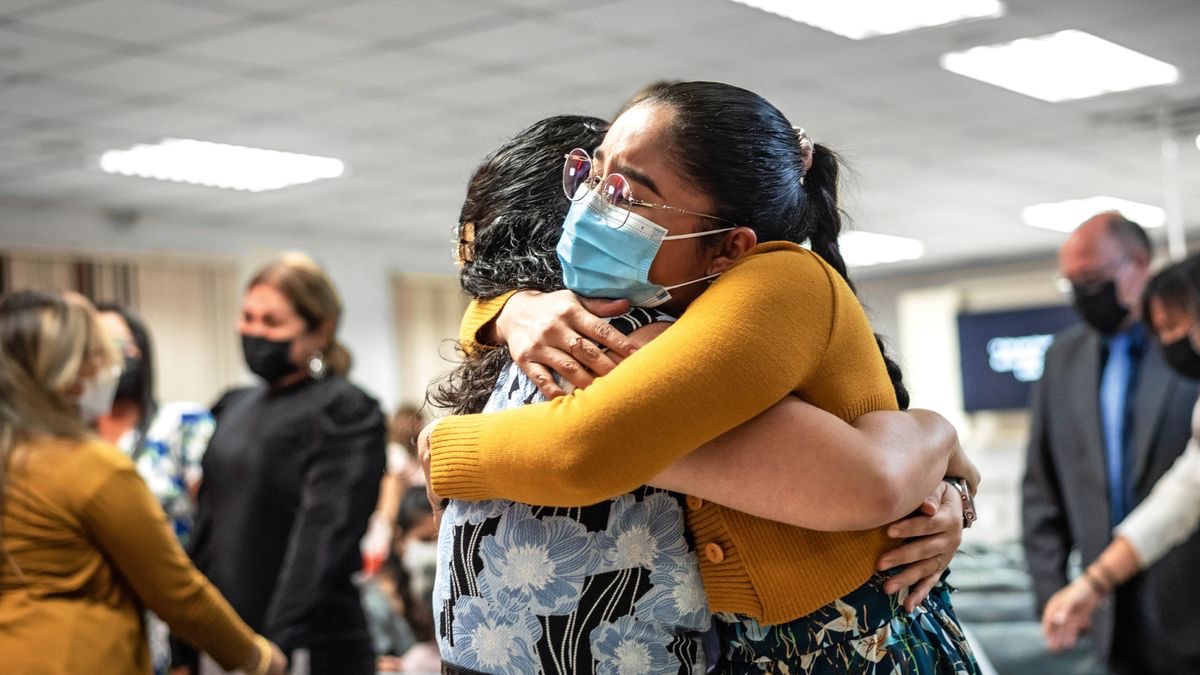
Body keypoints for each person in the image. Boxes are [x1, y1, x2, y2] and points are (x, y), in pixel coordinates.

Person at [424, 86, 979, 673]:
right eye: (590, 176)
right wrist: (508, 311)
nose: (589, 208)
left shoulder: (778, 282)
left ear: (728, 247)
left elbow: (588, 447)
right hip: (759, 647)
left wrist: (443, 447)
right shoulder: (653, 304)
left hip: (848, 645)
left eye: (627, 193)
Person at [0, 289, 285, 675]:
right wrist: (259, 658)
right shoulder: (91, 466)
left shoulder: (15, 457)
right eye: (97, 355)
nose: (110, 367)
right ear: (67, 376)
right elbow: (177, 593)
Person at [182, 253, 387, 675]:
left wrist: (275, 646)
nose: (254, 331)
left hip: (307, 646)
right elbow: (207, 528)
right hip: (228, 644)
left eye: (272, 322)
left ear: (320, 330)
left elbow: (324, 538)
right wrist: (186, 640)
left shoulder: (344, 409)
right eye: (248, 317)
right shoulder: (233, 404)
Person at [1023, 212, 1200, 673]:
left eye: (1092, 279)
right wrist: (1088, 585)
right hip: (1114, 616)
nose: (1179, 341)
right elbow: (1184, 494)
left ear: (1136, 264)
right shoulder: (1063, 359)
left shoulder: (1178, 359)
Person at [94, 302, 216, 673]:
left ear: (143, 352)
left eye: (122, 344)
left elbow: (214, 528)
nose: (112, 356)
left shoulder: (181, 425)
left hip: (172, 618)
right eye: (98, 345)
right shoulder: (68, 441)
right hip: (94, 622)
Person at [363, 404, 428, 576]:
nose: (420, 426)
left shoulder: (411, 454)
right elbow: (390, 496)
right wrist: (392, 529)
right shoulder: (397, 456)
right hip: (399, 524)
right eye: (415, 422)